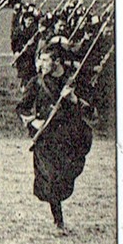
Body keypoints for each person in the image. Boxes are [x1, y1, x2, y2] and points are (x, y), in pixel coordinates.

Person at [18, 42, 95, 234]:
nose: (41, 64)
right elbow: (22, 108)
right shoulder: (36, 82)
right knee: (51, 179)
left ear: (57, 61)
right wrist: (33, 122)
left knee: (65, 177)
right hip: (46, 139)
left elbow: (92, 113)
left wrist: (73, 99)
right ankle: (58, 221)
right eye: (40, 60)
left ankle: (58, 212)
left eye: (45, 60)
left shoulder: (74, 81)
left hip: (70, 138)